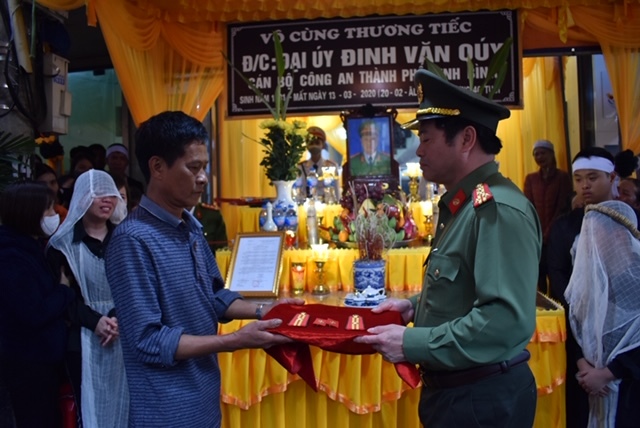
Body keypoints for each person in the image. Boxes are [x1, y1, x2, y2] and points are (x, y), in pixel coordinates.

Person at [354, 70, 541, 427]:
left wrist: (413, 344)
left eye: (426, 138)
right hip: (459, 393)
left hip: (481, 399)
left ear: (466, 138)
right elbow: (463, 288)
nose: (419, 150)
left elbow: (502, 320)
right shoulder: (463, 205)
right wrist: (413, 307)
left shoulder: (495, 208)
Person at [104, 110, 303, 427]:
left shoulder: (190, 226)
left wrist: (265, 310)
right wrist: (233, 341)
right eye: (193, 167)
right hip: (165, 411)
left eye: (205, 167)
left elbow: (213, 295)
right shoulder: (132, 241)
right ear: (157, 167)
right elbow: (148, 340)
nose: (202, 178)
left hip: (204, 400)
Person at [547, 147, 629, 428]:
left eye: (593, 177)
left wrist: (612, 370)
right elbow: (561, 293)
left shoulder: (630, 223)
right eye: (579, 178)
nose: (585, 185)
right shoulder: (565, 227)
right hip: (579, 343)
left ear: (612, 176)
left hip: (626, 345)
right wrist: (581, 360)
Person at [47, 169, 129, 427]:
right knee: (87, 406)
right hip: (80, 336)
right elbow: (61, 295)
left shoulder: (127, 239)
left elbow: (135, 287)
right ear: (83, 197)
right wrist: (96, 321)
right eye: (98, 194)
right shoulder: (62, 244)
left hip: (124, 331)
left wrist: (114, 318)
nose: (107, 200)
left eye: (111, 194)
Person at [0, 182, 75, 427]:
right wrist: (63, 291)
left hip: (42, 361)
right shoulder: (11, 256)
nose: (55, 216)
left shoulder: (31, 247)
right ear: (29, 213)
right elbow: (34, 311)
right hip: (28, 363)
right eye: (49, 211)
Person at [564, 200, 640, 427]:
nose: (586, 243)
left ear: (618, 236)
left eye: (592, 234)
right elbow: (574, 324)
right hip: (588, 387)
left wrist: (608, 373)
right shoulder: (591, 280)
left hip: (629, 393)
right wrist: (584, 366)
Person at [523, 139, 573, 292]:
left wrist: (549, 231)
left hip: (556, 236)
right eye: (536, 154)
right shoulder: (531, 179)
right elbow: (528, 206)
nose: (539, 157)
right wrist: (536, 231)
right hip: (536, 237)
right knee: (538, 275)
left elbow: (562, 207)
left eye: (542, 153)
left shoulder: (562, 177)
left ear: (551, 154)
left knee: (556, 274)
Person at [297, 126, 340, 201]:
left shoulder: (330, 166)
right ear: (307, 145)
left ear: (323, 145)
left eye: (317, 143)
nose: (314, 146)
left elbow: (336, 192)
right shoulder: (301, 167)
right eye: (311, 143)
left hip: (327, 207)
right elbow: (299, 191)